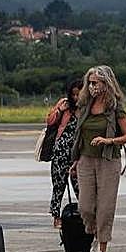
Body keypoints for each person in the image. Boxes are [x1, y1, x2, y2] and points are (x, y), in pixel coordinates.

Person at [69, 65, 126, 252]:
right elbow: (80, 137)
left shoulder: (115, 109)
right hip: (86, 160)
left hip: (108, 161)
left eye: (95, 82)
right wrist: (75, 160)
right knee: (85, 207)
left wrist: (108, 141)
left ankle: (102, 250)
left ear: (106, 83)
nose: (92, 86)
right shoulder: (85, 107)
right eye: (90, 82)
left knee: (105, 207)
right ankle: (96, 233)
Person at [46, 78, 83, 228]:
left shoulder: (86, 107)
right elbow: (49, 121)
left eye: (79, 94)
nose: (76, 98)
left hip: (77, 152)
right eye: (73, 94)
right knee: (59, 185)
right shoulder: (64, 104)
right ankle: (56, 217)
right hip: (61, 150)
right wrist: (60, 110)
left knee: (79, 185)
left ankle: (85, 214)